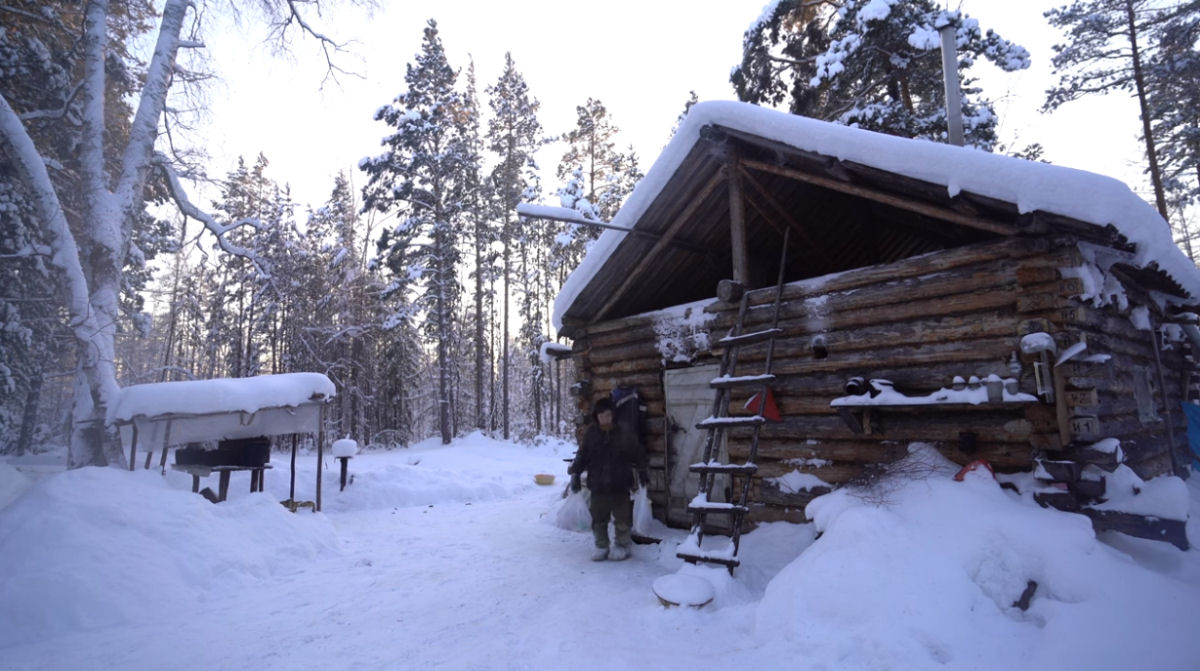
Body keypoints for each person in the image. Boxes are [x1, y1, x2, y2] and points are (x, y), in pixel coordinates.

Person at [569, 397, 649, 561]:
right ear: (596, 416)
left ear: (613, 415)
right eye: (601, 415)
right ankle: (601, 545)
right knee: (599, 519)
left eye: (607, 415)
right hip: (598, 484)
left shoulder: (624, 432)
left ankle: (622, 545)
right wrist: (575, 473)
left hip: (620, 482)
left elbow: (638, 453)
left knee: (622, 518)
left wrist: (642, 471)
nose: (604, 419)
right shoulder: (591, 433)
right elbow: (582, 454)